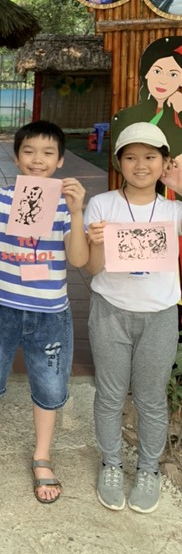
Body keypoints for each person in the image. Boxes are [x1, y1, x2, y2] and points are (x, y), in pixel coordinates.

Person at [0, 121, 88, 504]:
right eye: (29, 151)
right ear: (16, 156)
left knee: (50, 386)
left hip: (50, 315)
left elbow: (78, 259)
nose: (37, 160)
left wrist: (77, 214)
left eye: (47, 153)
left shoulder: (65, 205)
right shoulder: (1, 198)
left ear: (60, 160)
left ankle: (42, 455)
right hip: (4, 308)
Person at [84, 122, 182, 513]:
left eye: (150, 157)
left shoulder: (173, 210)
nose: (140, 165)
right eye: (131, 157)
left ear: (164, 163)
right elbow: (92, 269)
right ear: (118, 162)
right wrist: (96, 243)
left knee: (151, 398)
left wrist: (180, 185)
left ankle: (148, 468)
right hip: (110, 311)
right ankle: (111, 463)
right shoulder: (102, 205)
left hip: (159, 314)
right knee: (109, 394)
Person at [111, 36, 182, 166]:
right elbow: (118, 162)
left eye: (173, 74)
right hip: (140, 178)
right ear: (147, 73)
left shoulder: (178, 114)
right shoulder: (126, 116)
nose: (163, 81)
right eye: (157, 71)